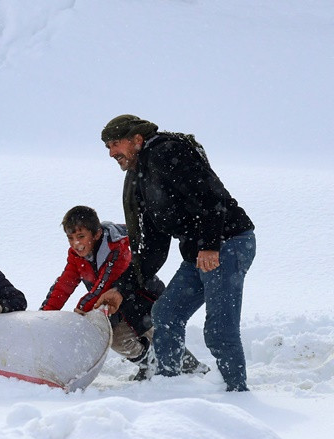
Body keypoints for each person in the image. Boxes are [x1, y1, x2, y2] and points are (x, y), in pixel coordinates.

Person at [95, 115, 256, 391]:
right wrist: (121, 289)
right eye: (107, 146)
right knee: (166, 315)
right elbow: (153, 250)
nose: (111, 153)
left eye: (115, 144)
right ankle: (169, 387)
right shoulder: (141, 177)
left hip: (227, 244)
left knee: (219, 331)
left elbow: (210, 197)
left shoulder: (168, 152)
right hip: (199, 253)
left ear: (137, 139)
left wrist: (209, 245)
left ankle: (237, 396)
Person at [40, 206, 207, 380]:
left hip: (142, 299)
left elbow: (105, 282)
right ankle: (148, 364)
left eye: (81, 237)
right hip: (111, 305)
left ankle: (194, 369)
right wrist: (45, 315)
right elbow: (64, 284)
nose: (76, 244)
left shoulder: (117, 247)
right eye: (70, 238)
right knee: (117, 339)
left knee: (159, 335)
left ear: (96, 234)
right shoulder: (76, 256)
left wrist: (82, 309)